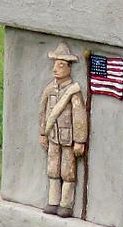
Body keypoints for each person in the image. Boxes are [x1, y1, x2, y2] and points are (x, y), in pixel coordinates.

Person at [38, 43, 88, 217]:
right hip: (53, 137)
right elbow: (43, 112)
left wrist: (79, 141)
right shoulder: (49, 90)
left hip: (67, 139)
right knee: (52, 168)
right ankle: (53, 201)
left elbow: (79, 117)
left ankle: (66, 204)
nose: (55, 69)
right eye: (55, 65)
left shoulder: (73, 92)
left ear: (68, 68)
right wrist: (43, 133)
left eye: (60, 65)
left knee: (67, 171)